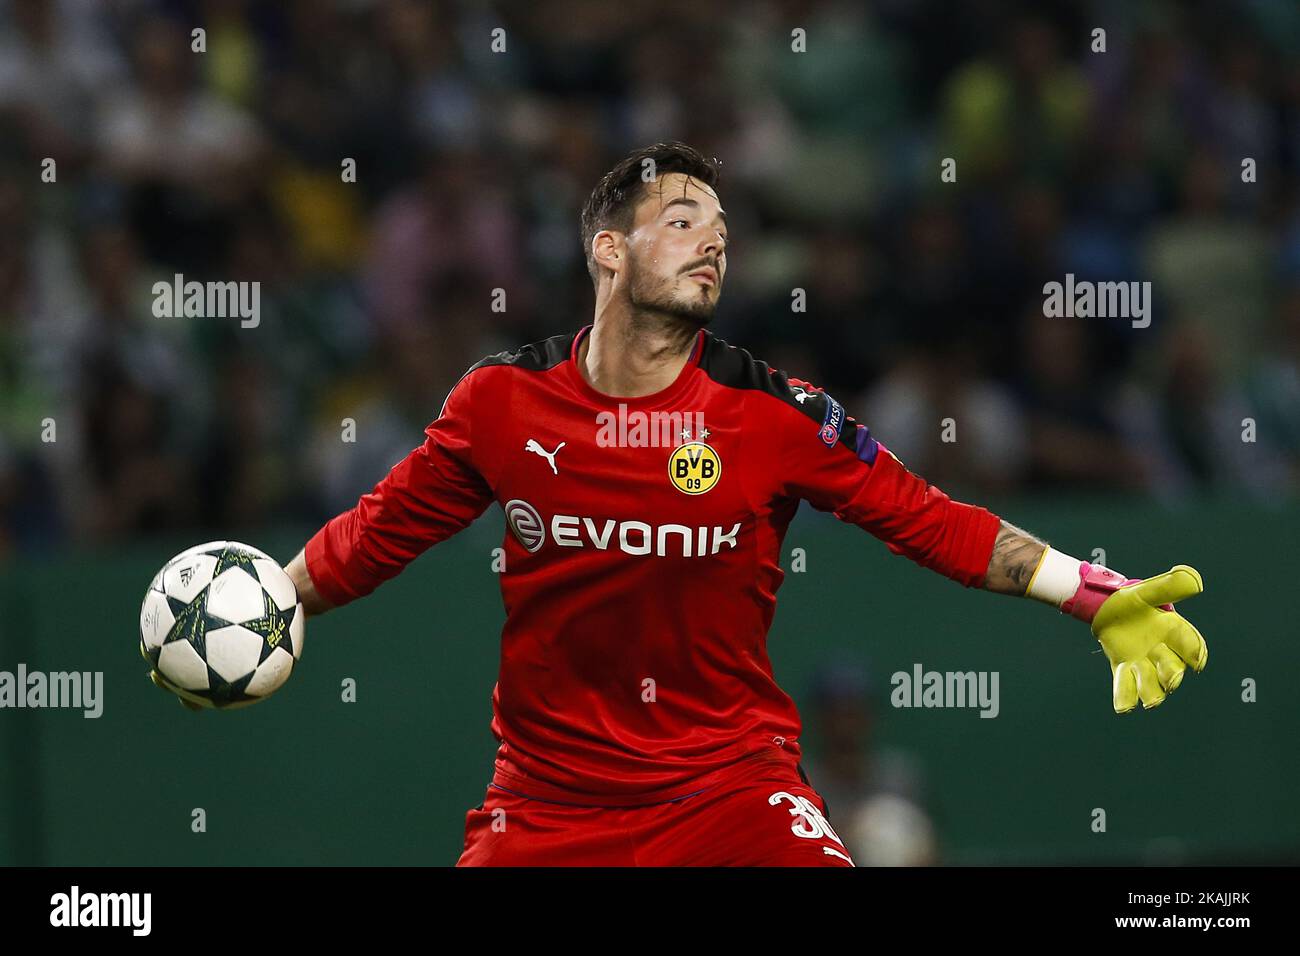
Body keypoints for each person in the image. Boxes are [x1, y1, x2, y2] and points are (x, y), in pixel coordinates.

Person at [154, 142, 1209, 866]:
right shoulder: (499, 402)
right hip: (549, 805)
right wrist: (270, 599)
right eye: (680, 219)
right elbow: (379, 532)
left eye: (720, 229)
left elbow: (932, 518)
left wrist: (1090, 592)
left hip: (728, 791)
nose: (712, 242)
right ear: (608, 250)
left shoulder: (775, 413)